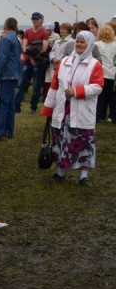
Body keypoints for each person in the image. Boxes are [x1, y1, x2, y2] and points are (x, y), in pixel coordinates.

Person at [42, 31, 103, 185]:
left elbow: (98, 86)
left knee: (84, 141)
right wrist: (48, 107)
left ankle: (84, 175)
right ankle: (60, 171)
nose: (79, 44)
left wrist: (77, 91)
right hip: (63, 109)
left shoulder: (94, 64)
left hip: (82, 110)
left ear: (89, 45)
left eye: (83, 42)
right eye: (78, 42)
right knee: (61, 139)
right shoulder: (65, 61)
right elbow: (55, 85)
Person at [0, 17, 21, 140]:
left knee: (1, 104)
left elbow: (1, 58)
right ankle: (8, 131)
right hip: (14, 75)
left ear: (5, 26)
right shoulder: (16, 39)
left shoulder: (5, 39)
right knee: (10, 105)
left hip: (5, 75)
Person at [15, 12, 50, 113]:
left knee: (36, 85)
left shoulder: (44, 33)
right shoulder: (27, 31)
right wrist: (30, 57)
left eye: (36, 19)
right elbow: (24, 46)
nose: (35, 21)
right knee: (22, 83)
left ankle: (33, 107)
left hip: (38, 61)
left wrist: (31, 53)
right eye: (33, 19)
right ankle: (16, 106)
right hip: (29, 61)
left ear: (41, 20)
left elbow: (44, 48)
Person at [95, 24, 116, 122]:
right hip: (113, 73)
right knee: (112, 97)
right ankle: (113, 117)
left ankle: (99, 116)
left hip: (102, 73)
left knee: (100, 96)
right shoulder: (115, 44)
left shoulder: (97, 44)